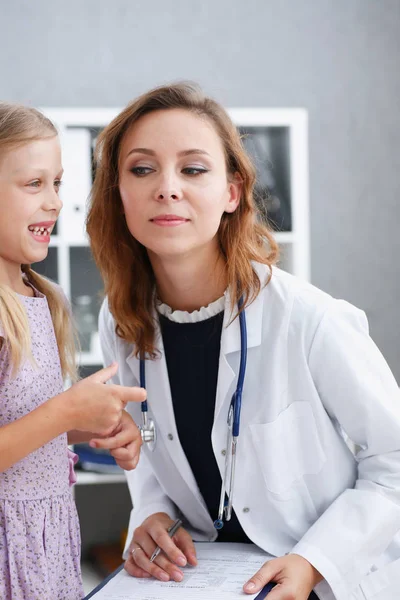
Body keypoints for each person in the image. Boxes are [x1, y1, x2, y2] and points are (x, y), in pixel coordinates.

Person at [87, 82, 400, 600]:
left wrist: (313, 563)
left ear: (231, 192)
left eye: (193, 169)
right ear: (118, 194)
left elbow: (394, 460)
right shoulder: (120, 319)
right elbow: (144, 441)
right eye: (142, 169)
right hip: (206, 577)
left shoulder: (309, 318)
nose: (167, 188)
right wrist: (153, 514)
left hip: (324, 580)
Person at [0, 102, 146, 600]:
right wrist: (66, 410)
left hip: (48, 535)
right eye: (34, 184)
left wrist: (91, 423)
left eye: (58, 184)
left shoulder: (42, 298)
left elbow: (24, 422)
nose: (55, 202)